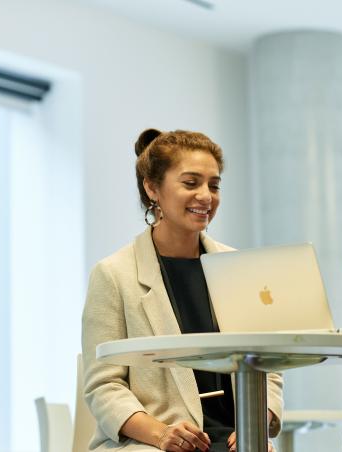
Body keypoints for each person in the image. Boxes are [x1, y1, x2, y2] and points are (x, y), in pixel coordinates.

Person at [82, 129, 283, 452]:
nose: (206, 195)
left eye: (214, 185)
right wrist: (161, 434)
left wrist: (257, 424)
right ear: (152, 188)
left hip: (236, 441)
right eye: (191, 183)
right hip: (151, 441)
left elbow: (267, 367)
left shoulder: (238, 267)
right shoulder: (114, 275)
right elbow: (104, 385)